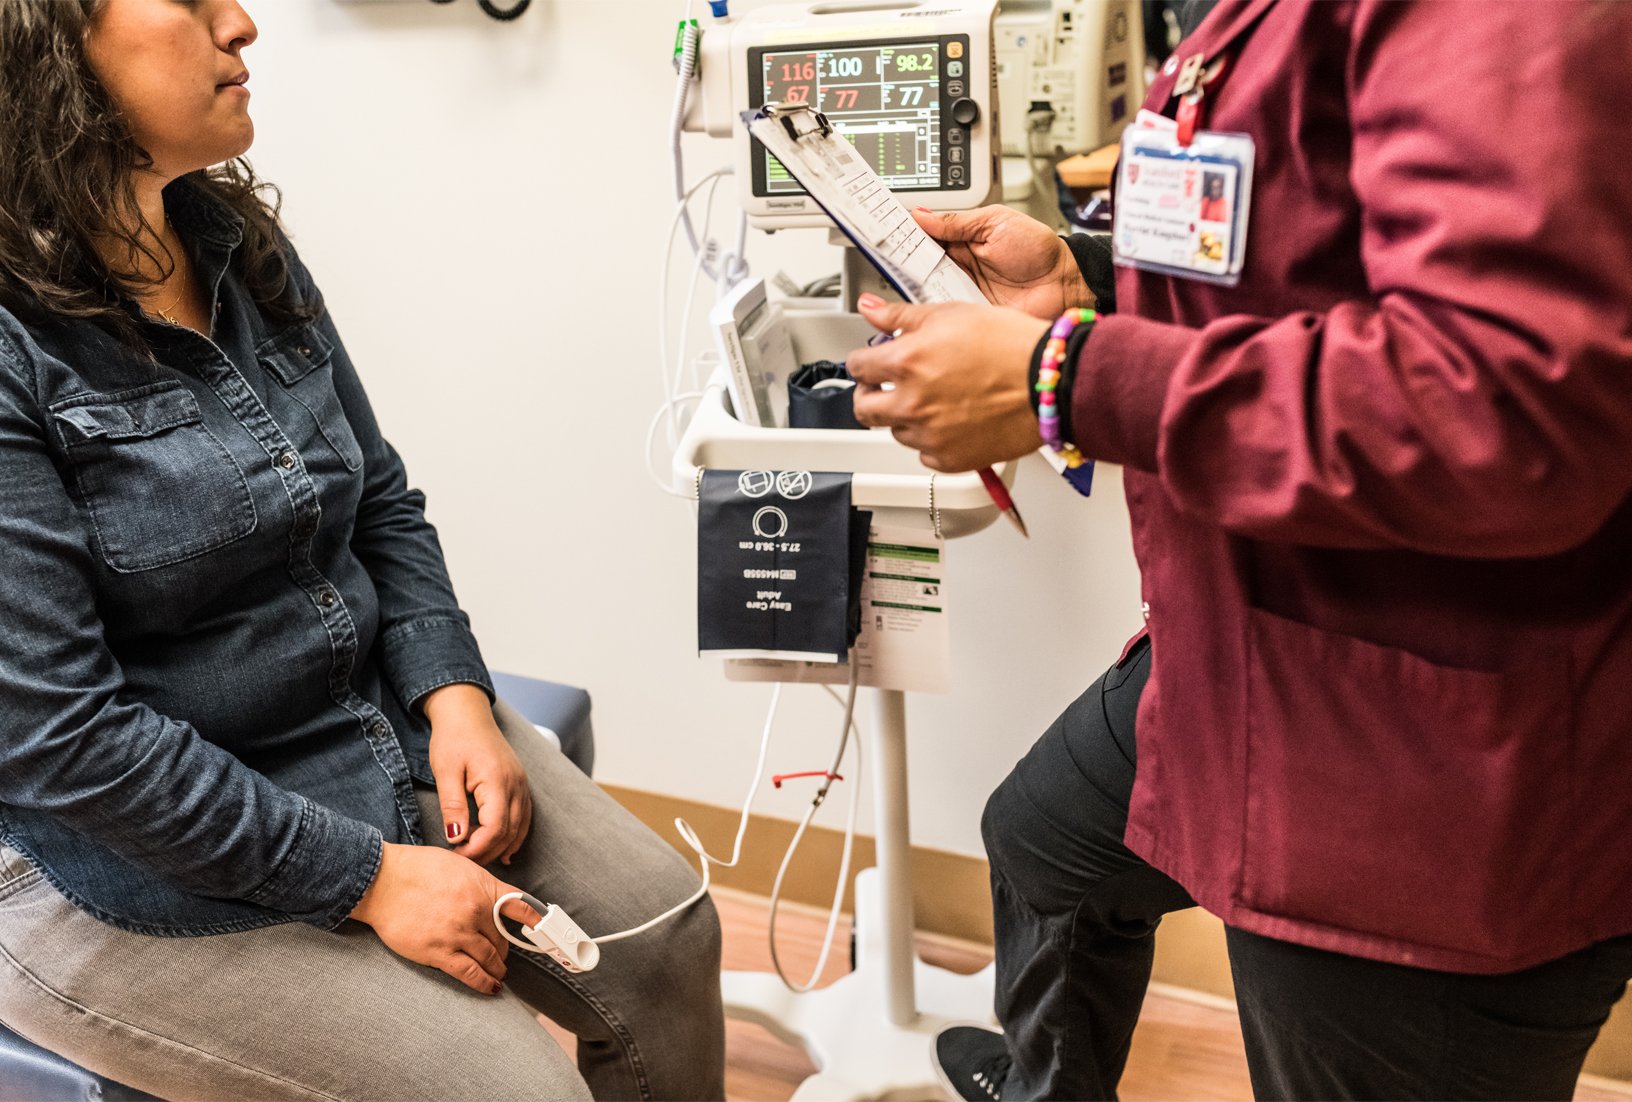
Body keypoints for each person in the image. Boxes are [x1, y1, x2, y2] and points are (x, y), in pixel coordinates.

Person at [846, 1, 1632, 1098]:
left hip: (1425, 766)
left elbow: (1506, 403)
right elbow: (1313, 251)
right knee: (1046, 843)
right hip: (1255, 644)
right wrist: (1092, 283)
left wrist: (1069, 378)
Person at [0, 2, 723, 1098]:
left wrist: (453, 693)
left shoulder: (231, 242)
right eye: (189, 1)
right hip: (116, 850)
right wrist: (371, 876)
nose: (240, 23)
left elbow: (377, 493)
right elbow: (63, 741)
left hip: (359, 714)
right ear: (41, 47)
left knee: (668, 935)